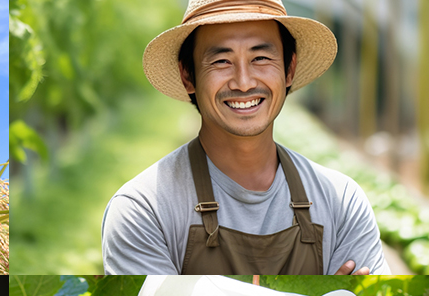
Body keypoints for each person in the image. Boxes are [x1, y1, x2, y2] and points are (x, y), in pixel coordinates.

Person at [100, 0, 391, 275]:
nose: (243, 82)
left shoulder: (341, 200)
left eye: (260, 58)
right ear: (188, 75)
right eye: (221, 61)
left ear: (289, 69)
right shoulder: (143, 209)